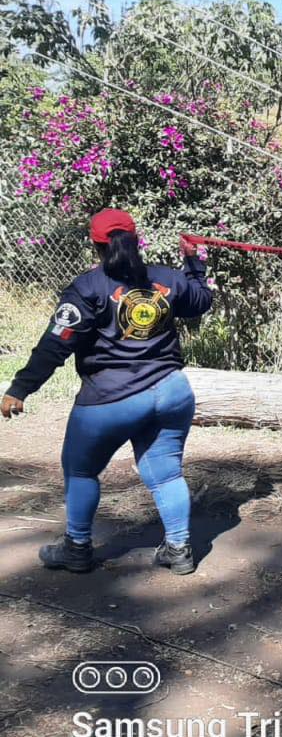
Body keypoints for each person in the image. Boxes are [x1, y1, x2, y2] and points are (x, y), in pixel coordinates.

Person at [1, 208, 212, 575]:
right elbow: (200, 301)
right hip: (172, 392)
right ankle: (179, 550)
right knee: (166, 474)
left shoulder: (87, 288)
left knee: (80, 471)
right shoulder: (168, 278)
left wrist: (20, 388)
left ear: (95, 243)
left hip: (111, 402)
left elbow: (56, 346)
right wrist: (192, 263)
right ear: (135, 239)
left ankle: (77, 548)